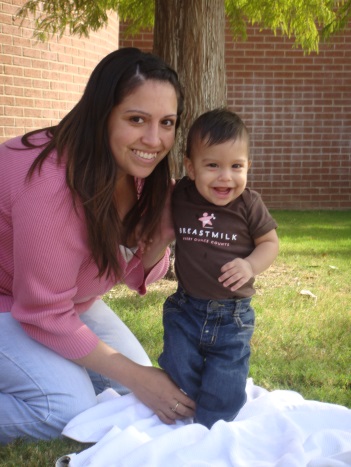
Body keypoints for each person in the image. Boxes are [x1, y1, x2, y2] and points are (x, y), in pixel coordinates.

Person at [0, 47, 196, 445]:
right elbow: (42, 311)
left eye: (167, 122)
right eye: (136, 119)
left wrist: (158, 238)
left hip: (62, 302)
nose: (154, 140)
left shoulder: (135, 172)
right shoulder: (52, 186)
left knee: (136, 396)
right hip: (20, 301)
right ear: (101, 113)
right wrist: (137, 375)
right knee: (65, 410)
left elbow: (126, 271)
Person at [158, 108, 279, 429]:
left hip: (232, 316)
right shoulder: (181, 193)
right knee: (178, 361)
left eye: (236, 166)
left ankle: (211, 427)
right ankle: (193, 402)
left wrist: (250, 264)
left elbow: (270, 243)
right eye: (213, 165)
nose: (226, 177)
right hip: (186, 307)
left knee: (226, 376)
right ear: (191, 168)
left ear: (248, 166)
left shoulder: (249, 204)